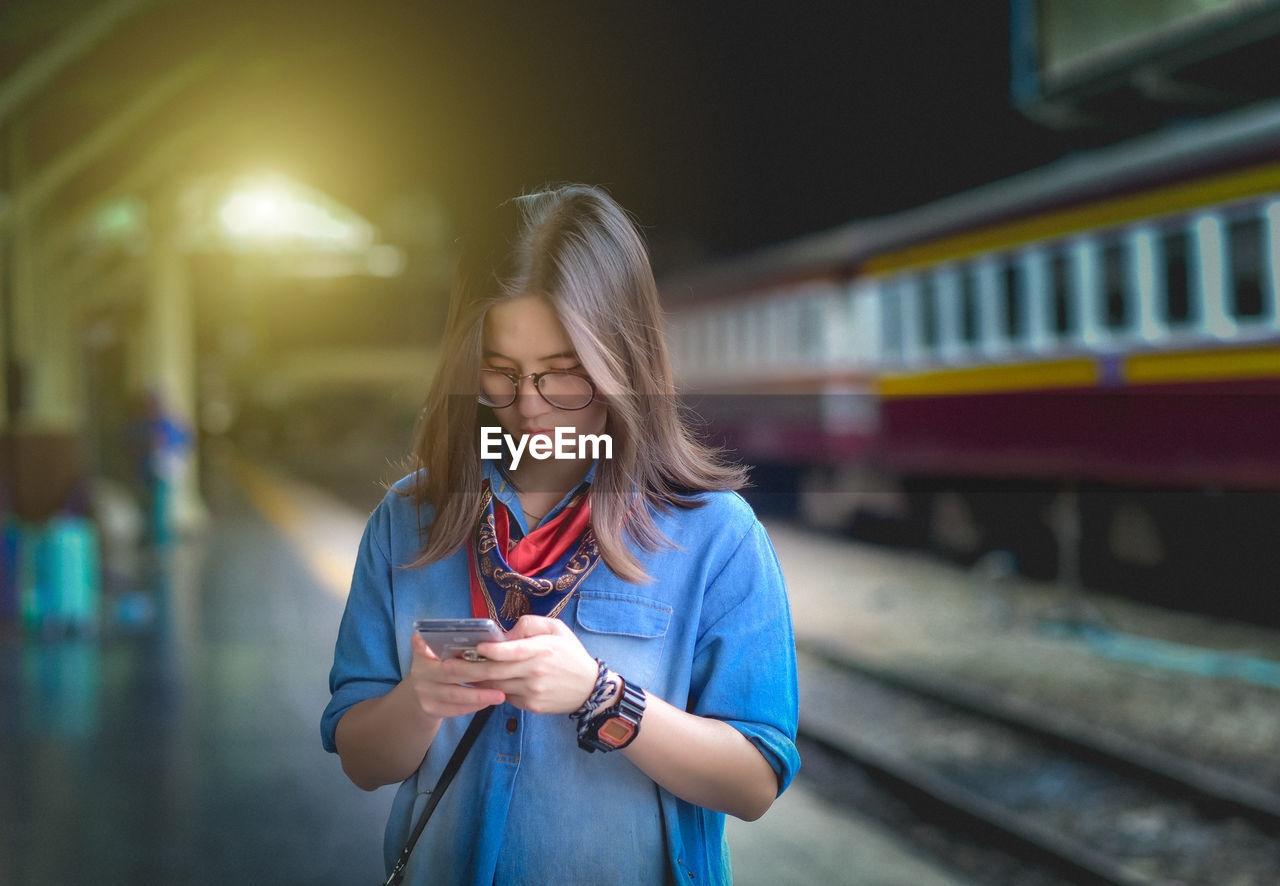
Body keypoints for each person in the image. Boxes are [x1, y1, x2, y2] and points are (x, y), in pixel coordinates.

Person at [321, 184, 799, 885]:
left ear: (623, 363)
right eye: (500, 375)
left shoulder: (717, 535)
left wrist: (603, 696)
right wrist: (417, 700)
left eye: (564, 375)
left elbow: (755, 782)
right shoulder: (407, 519)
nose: (530, 409)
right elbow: (364, 762)